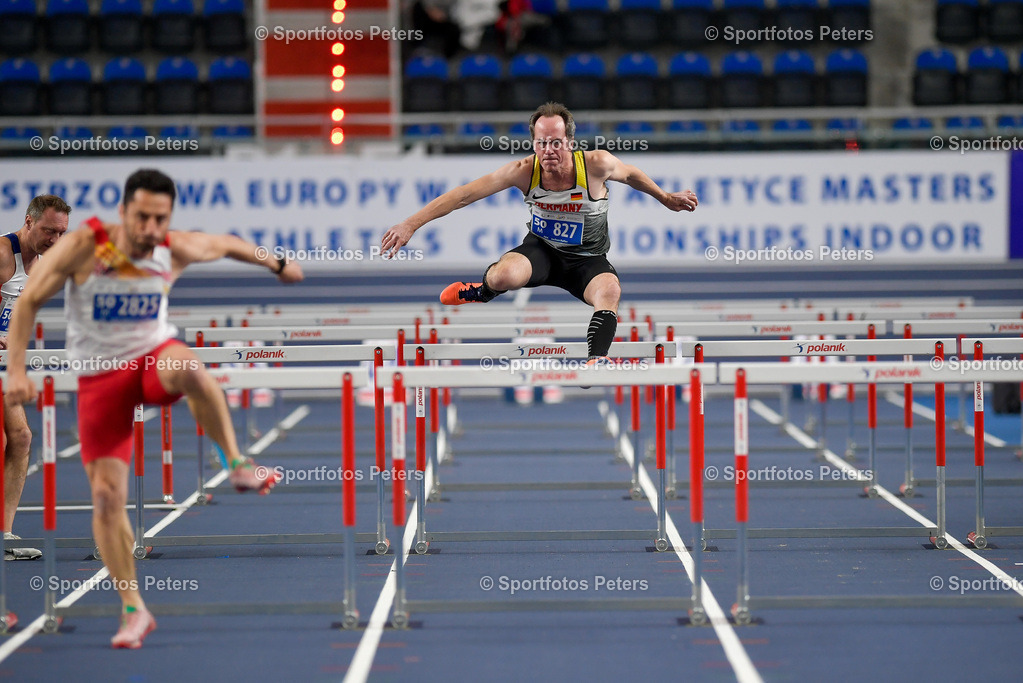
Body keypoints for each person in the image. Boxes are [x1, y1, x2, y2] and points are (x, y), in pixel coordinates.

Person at [4, 169, 303, 649]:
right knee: (105, 499)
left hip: (151, 359)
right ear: (123, 213)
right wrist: (17, 371)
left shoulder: (173, 246)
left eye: (159, 218)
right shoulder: (85, 246)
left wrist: (279, 262)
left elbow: (228, 244)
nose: (149, 229)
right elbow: (28, 303)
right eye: (141, 216)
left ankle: (237, 463)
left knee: (186, 362)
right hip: (101, 380)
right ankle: (133, 608)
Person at [381, 101, 699, 361]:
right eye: (541, 143)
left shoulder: (596, 164)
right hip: (541, 252)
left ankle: (596, 360)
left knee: (610, 292)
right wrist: (410, 223)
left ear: (570, 143)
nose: (548, 150)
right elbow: (463, 195)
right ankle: (481, 292)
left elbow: (631, 175)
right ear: (533, 143)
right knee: (502, 276)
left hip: (587, 261)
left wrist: (667, 198)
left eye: (556, 143)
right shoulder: (523, 171)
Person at [0, 195, 71, 560]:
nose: (55, 240)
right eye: (48, 231)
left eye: (62, 233)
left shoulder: (43, 264)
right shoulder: (2, 254)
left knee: (22, 438)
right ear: (29, 222)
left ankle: (5, 535)